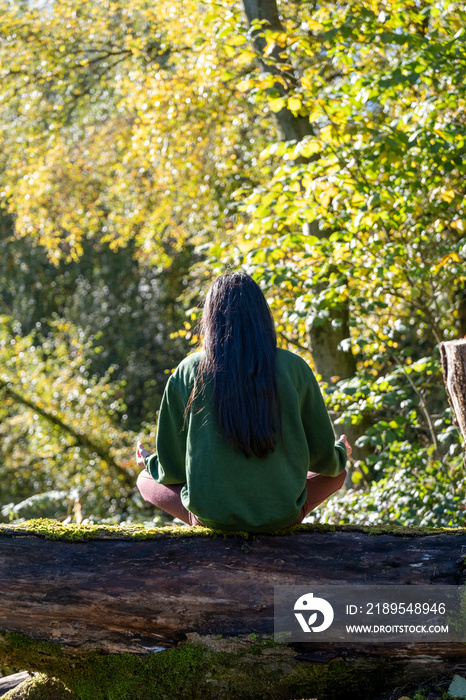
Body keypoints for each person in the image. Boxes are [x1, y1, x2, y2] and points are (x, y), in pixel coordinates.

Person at [136, 272, 351, 533]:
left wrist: (149, 461)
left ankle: (211, 521)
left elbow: (172, 469)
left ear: (211, 319)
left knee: (146, 480)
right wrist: (341, 453)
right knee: (339, 473)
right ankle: (276, 517)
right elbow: (326, 461)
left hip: (211, 520)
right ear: (262, 317)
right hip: (282, 518)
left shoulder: (188, 370)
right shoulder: (294, 368)